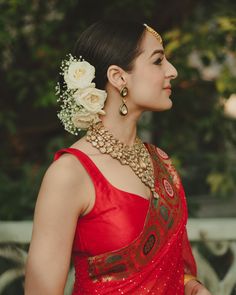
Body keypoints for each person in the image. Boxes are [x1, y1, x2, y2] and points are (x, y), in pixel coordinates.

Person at [24, 20, 212, 295]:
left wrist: (195, 288)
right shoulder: (70, 174)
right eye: (158, 61)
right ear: (118, 77)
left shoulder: (160, 162)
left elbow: (175, 270)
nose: (172, 71)